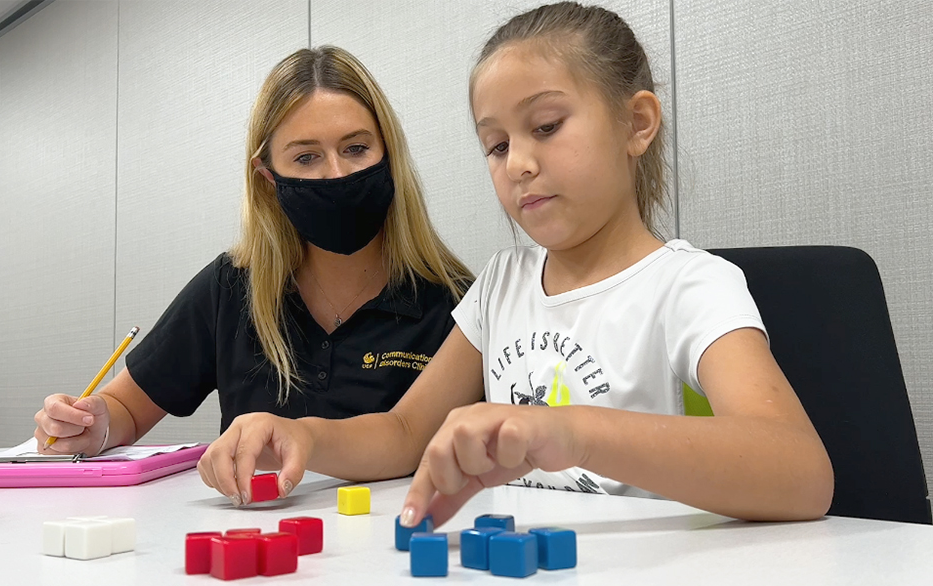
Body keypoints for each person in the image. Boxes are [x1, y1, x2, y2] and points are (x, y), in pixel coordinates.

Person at [197, 1, 834, 521]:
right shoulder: (503, 284)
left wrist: (568, 432)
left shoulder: (691, 286)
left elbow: (801, 473)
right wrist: (305, 436)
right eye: (496, 145)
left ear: (637, 123)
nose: (519, 163)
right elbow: (403, 431)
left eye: (548, 126)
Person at [32, 47, 472, 475]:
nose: (336, 174)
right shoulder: (232, 287)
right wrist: (90, 423)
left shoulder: (458, 303)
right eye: (306, 157)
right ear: (268, 179)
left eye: (356, 148)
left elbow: (417, 439)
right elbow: (127, 407)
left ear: (390, 155)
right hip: (254, 539)